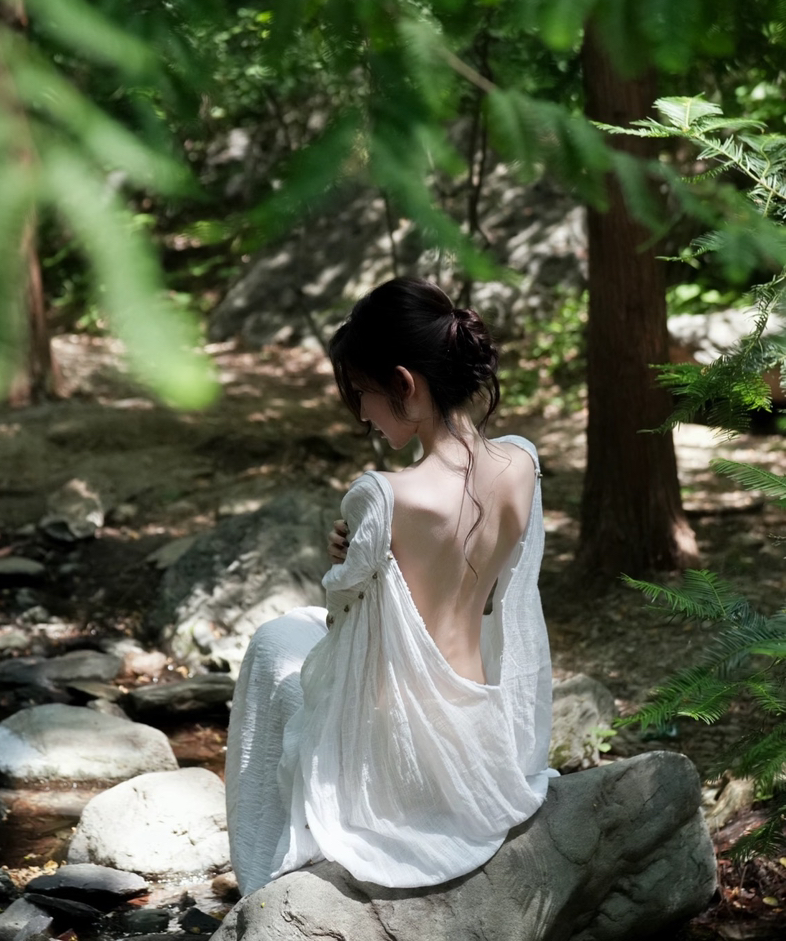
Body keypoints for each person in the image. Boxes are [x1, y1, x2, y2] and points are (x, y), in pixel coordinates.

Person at [224, 277, 555, 896]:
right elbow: (494, 597)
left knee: (272, 646)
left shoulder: (383, 494)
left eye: (365, 394)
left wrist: (356, 555)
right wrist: (369, 557)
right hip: (481, 725)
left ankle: (260, 878)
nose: (363, 415)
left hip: (402, 744)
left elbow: (343, 635)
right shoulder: (522, 462)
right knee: (289, 631)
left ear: (405, 383)